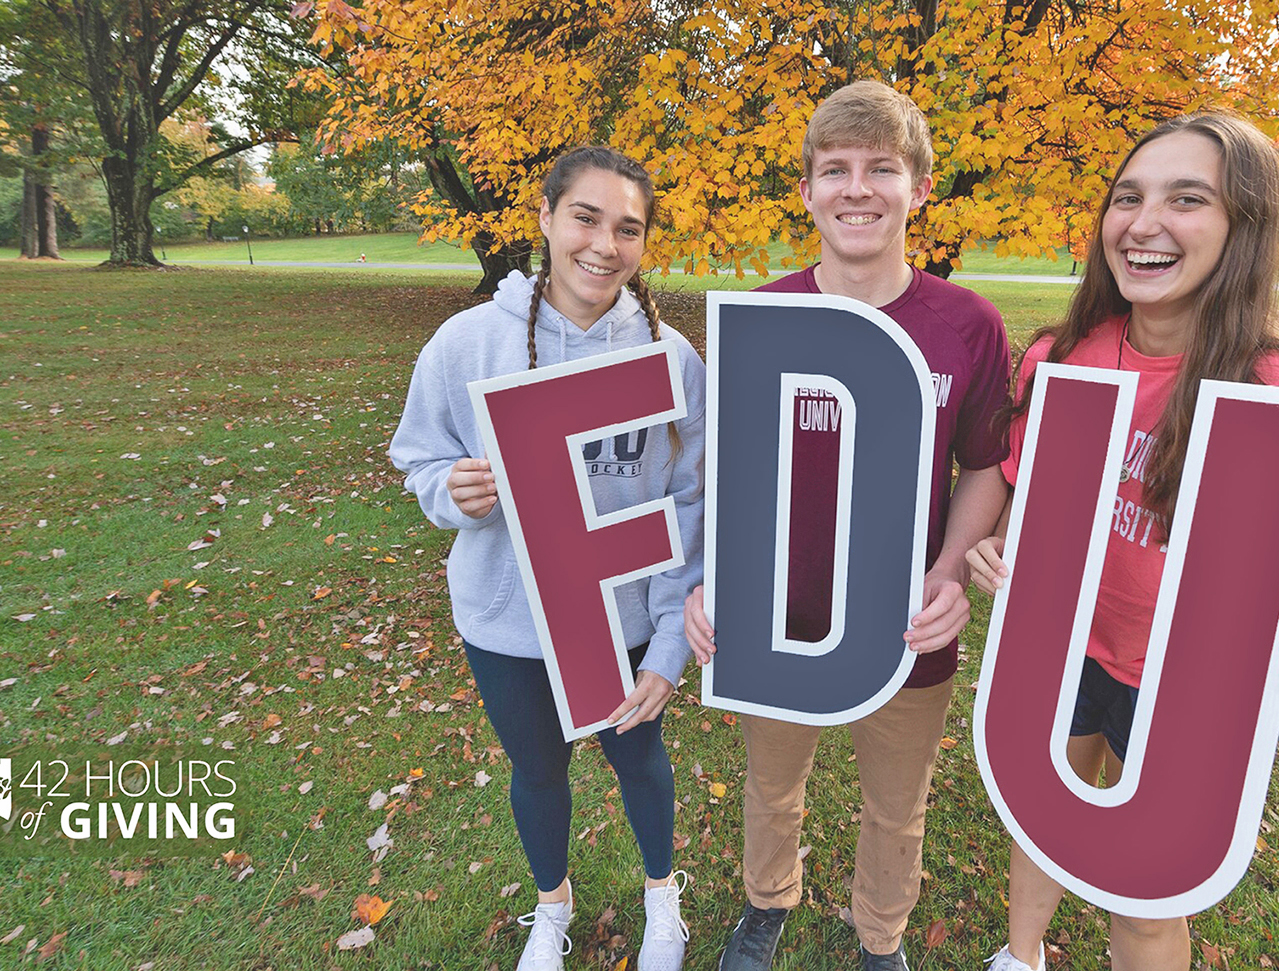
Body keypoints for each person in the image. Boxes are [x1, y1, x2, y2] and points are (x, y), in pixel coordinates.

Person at [964, 112, 1279, 971]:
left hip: (1181, 688)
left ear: (1244, 227)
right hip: (1061, 650)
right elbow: (1029, 496)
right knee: (1038, 823)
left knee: (1145, 890)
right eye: (1128, 197)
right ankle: (1021, 957)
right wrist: (1001, 545)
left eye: (1187, 199)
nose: (1144, 221)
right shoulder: (1065, 357)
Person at [684, 80, 1013, 971]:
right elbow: (735, 472)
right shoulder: (763, 313)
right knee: (771, 780)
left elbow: (984, 464)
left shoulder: (970, 325)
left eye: (881, 169)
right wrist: (716, 580)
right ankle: (766, 901)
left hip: (903, 616)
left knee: (897, 800)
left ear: (919, 189)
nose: (857, 189)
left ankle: (881, 936)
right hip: (781, 614)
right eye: (835, 170)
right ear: (807, 191)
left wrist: (949, 570)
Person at [390, 146, 705, 971]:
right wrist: (446, 490)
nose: (605, 244)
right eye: (586, 218)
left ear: (645, 243)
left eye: (628, 228)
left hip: (625, 617)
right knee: (537, 769)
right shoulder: (466, 343)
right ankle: (550, 905)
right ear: (545, 218)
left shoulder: (671, 359)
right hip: (508, 621)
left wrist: (670, 644)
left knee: (640, 755)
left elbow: (690, 506)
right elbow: (419, 456)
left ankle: (661, 900)